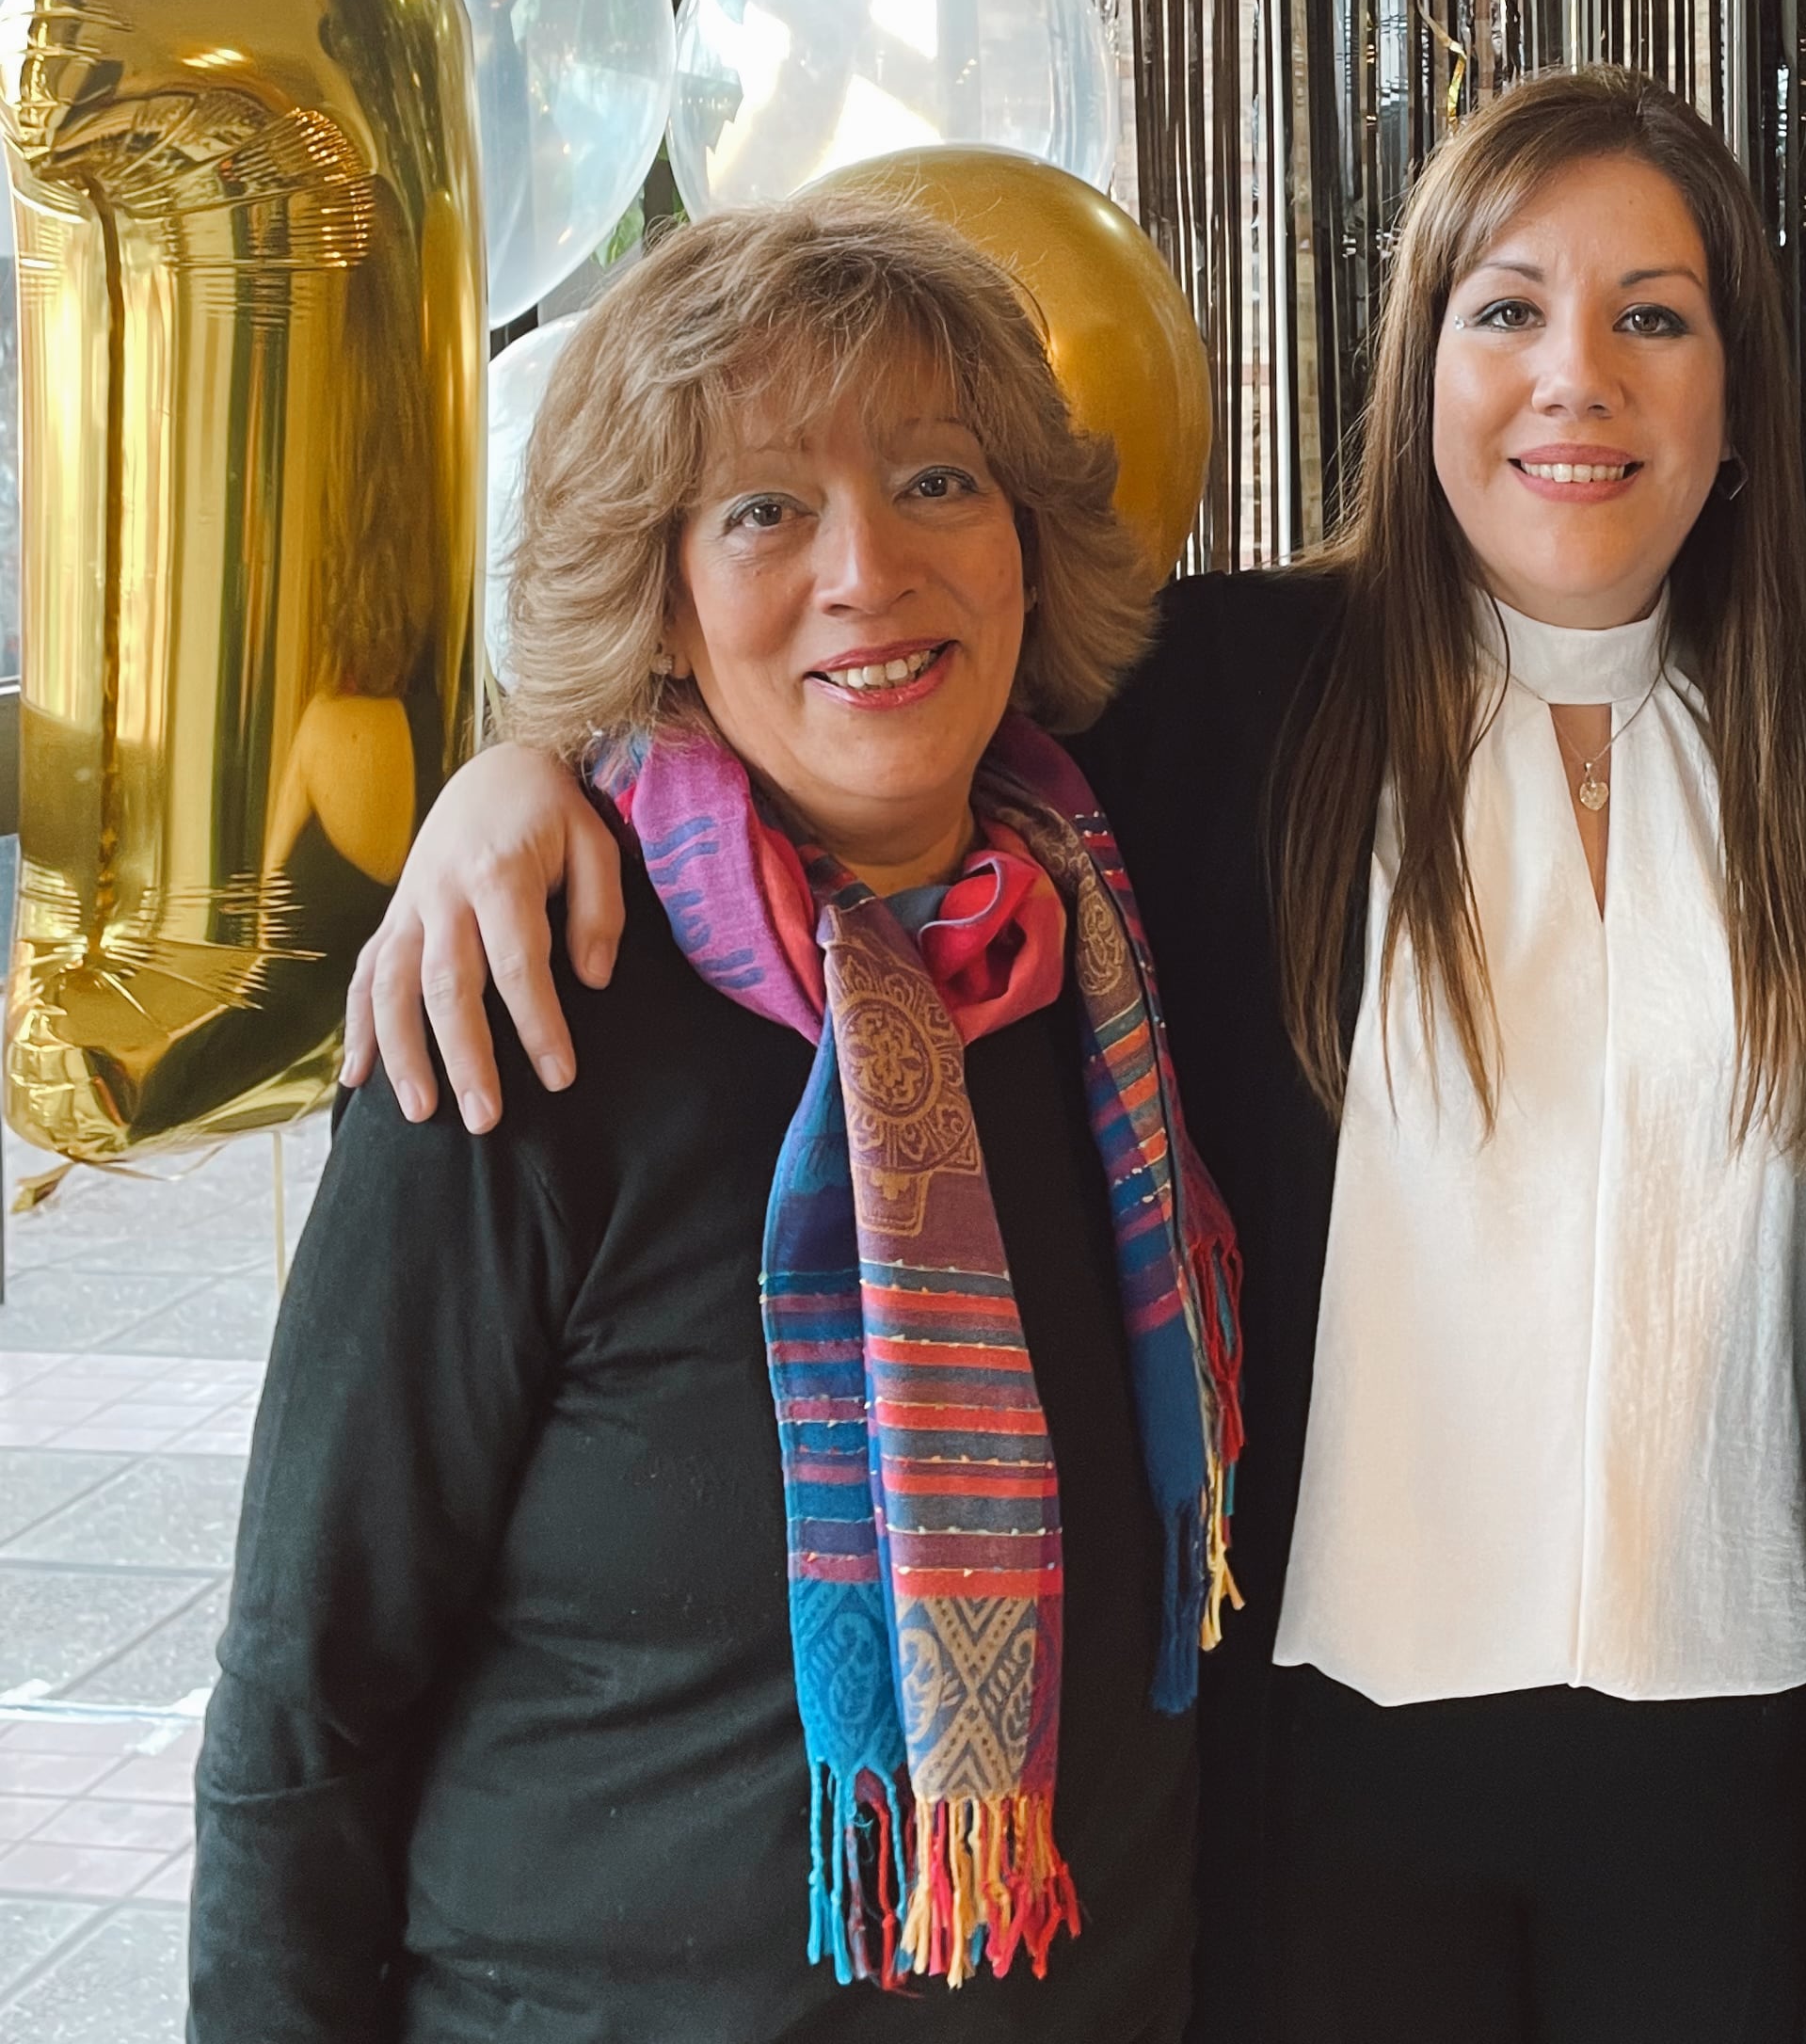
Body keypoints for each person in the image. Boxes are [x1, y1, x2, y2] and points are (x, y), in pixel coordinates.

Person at [338, 68, 1806, 2044]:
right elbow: (862, 703)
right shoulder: (1227, 705)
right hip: (1323, 1763)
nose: (1573, 376)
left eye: (1651, 317)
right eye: (1505, 311)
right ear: (1421, 369)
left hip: (1734, 1730)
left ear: (1736, 394)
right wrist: (520, 773)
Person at [191, 195, 1240, 2043]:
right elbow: (309, 1692)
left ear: (1023, 547)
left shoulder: (1121, 963)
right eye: (765, 509)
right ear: (666, 601)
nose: (867, 570)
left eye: (937, 483)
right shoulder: (518, 1010)